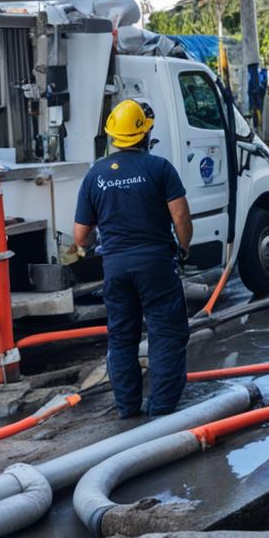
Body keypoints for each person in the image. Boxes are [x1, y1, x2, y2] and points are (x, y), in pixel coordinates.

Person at [74, 99, 192, 418]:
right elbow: (181, 217)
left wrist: (101, 243)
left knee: (122, 337)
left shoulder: (95, 175)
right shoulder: (160, 168)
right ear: (145, 133)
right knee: (165, 333)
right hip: (156, 265)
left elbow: (81, 236)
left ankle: (127, 407)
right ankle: (162, 408)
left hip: (115, 268)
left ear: (113, 136)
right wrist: (184, 248)